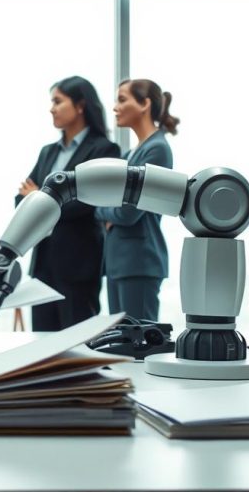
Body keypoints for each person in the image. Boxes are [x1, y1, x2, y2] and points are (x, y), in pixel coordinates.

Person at [18, 76, 121, 331]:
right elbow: (21, 197)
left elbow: (89, 202)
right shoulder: (48, 152)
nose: (51, 108)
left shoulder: (105, 150)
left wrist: (40, 198)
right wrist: (41, 199)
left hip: (79, 264)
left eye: (58, 101)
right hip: (43, 264)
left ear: (80, 105)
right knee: (41, 342)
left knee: (79, 341)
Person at [96, 78, 179, 322]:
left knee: (139, 340)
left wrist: (102, 211)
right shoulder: (130, 154)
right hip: (120, 262)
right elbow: (109, 202)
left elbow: (128, 212)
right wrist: (107, 209)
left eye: (122, 100)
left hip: (139, 261)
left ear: (144, 104)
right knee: (121, 339)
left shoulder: (157, 149)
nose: (115, 107)